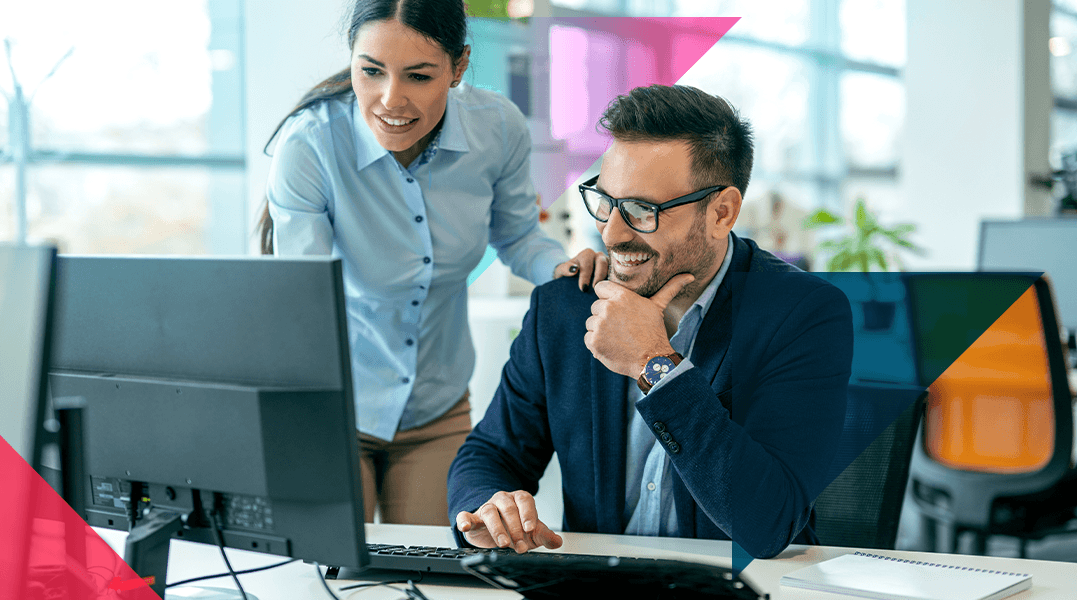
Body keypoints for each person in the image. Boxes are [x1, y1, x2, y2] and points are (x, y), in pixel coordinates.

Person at [447, 84, 854, 559]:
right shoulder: (564, 308)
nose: (612, 234)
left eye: (644, 210)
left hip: (736, 586)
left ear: (721, 212)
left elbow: (768, 523)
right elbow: (489, 454)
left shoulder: (802, 314)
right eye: (606, 201)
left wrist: (652, 362)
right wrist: (488, 507)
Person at [260, 0, 607, 526]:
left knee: (431, 574)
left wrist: (561, 270)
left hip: (437, 408)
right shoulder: (310, 144)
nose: (390, 99)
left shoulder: (497, 129)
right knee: (328, 577)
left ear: (459, 67)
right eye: (370, 71)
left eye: (419, 76)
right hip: (333, 404)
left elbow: (517, 236)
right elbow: (306, 295)